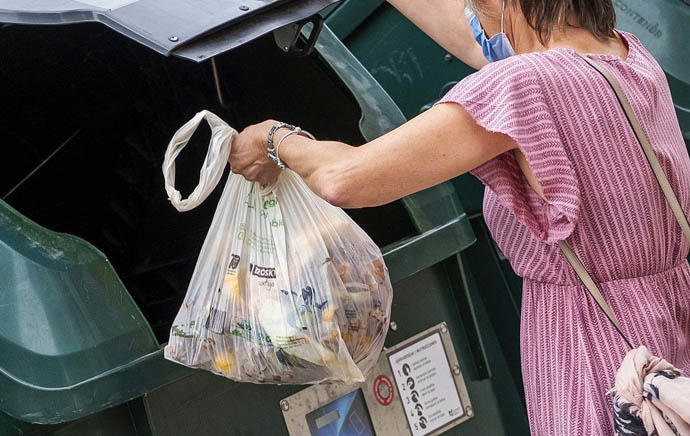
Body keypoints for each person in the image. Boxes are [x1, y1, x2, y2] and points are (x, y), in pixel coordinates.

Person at [227, 0, 690, 434]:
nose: (477, 27)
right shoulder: (628, 56)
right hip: (668, 337)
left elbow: (343, 179)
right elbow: (488, 49)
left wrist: (274, 139)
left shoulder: (523, 86)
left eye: (477, 9)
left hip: (593, 353)